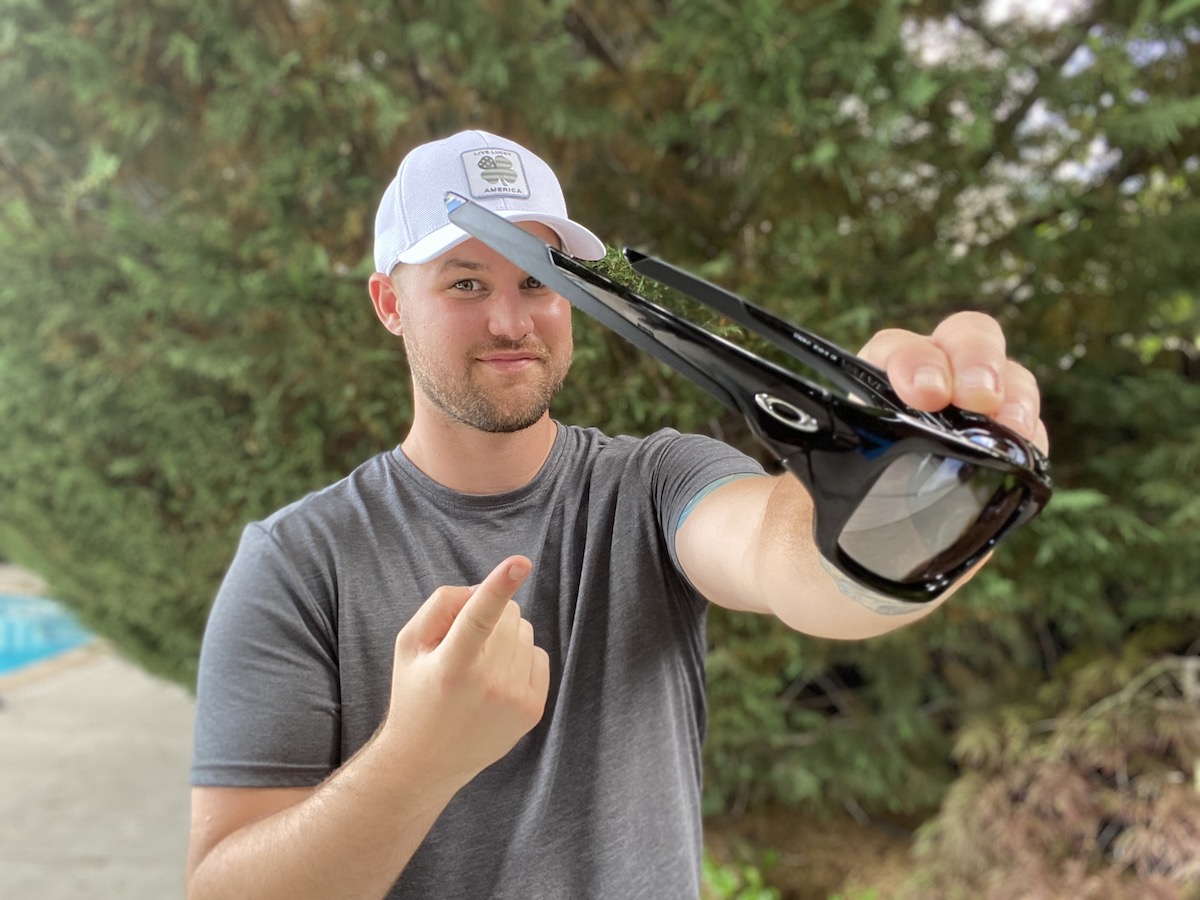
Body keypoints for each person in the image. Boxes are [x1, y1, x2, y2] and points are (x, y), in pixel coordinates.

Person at [185, 130, 1049, 899]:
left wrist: (928, 492)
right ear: (388, 304)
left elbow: (801, 567)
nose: (510, 318)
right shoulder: (297, 562)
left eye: (538, 279)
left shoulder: (655, 483)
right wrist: (418, 759)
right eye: (465, 280)